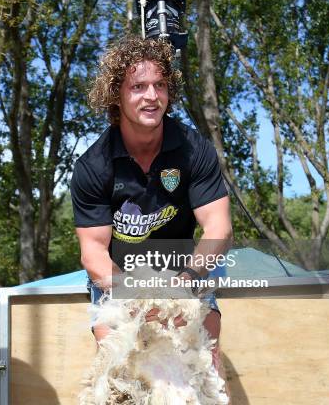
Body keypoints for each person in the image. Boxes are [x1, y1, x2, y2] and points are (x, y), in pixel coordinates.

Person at [70, 37, 232, 379]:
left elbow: (218, 230)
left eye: (160, 85)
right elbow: (93, 252)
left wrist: (182, 285)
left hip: (186, 271)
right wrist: (138, 298)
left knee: (206, 367)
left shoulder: (194, 149)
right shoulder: (94, 165)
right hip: (120, 278)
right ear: (117, 95)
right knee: (119, 375)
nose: (151, 96)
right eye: (138, 86)